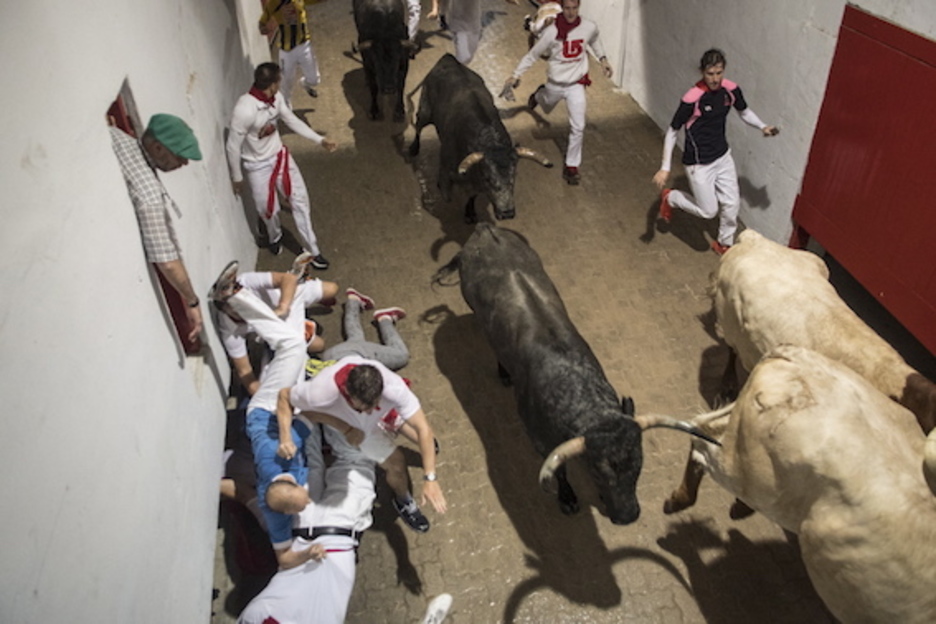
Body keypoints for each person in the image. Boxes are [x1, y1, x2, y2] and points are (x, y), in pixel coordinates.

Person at [210, 260, 318, 567]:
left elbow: (286, 403)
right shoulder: (278, 511)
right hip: (281, 414)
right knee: (294, 342)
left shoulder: (277, 453)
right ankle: (280, 296)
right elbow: (284, 557)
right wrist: (308, 553)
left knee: (294, 346)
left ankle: (232, 295)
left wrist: (289, 431)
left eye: (303, 498)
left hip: (267, 410)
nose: (308, 499)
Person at [277, 354, 447, 533]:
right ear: (347, 392)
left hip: (367, 426)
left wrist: (430, 478)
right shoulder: (321, 392)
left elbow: (424, 429)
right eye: (362, 408)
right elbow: (284, 397)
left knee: (397, 464)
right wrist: (286, 437)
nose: (370, 410)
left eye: (375, 405)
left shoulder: (393, 386)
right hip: (344, 427)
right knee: (381, 461)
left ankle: (403, 500)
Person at [237, 426, 376, 624]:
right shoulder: (252, 617)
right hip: (336, 530)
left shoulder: (253, 617)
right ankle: (331, 408)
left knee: (310, 456)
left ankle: (318, 404)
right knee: (353, 460)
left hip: (303, 522)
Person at [652, 48, 779, 255]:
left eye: (719, 73)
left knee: (732, 203)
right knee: (708, 211)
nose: (715, 78)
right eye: (710, 74)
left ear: (723, 70)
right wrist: (665, 167)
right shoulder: (692, 98)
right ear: (702, 72)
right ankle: (671, 198)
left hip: (722, 156)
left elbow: (744, 112)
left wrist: (762, 126)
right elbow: (673, 131)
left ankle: (724, 243)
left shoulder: (730, 90)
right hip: (698, 164)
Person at [226, 62, 338, 263]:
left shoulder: (276, 98)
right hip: (257, 166)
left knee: (300, 200)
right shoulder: (244, 109)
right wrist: (237, 177)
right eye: (279, 79)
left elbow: (291, 120)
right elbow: (233, 146)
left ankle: (312, 250)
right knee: (268, 210)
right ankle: (274, 236)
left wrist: (319, 140)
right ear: (273, 84)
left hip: (280, 157)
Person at [109, 114, 205, 345]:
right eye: (180, 156)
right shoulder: (149, 195)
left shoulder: (118, 136)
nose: (184, 163)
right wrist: (192, 301)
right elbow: (168, 261)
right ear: (158, 148)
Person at [502, 0, 612, 186]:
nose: (570, 13)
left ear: (579, 7)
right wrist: (515, 75)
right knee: (546, 106)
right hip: (555, 83)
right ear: (563, 9)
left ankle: (571, 166)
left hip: (576, 84)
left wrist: (603, 59)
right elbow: (533, 55)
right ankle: (538, 95)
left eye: (574, 8)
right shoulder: (551, 32)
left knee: (578, 126)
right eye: (567, 8)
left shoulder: (588, 26)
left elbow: (594, 39)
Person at [215, 253, 338, 395]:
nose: (243, 303)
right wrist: (261, 397)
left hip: (286, 297)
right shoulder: (229, 329)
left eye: (238, 291)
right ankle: (300, 280)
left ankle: (301, 281)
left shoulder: (246, 281)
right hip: (282, 327)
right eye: (236, 304)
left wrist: (282, 307)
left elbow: (287, 280)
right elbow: (244, 372)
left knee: (333, 289)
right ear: (225, 309)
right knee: (319, 345)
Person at [259, 0, 321, 106]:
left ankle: (305, 83)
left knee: (314, 80)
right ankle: (286, 104)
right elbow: (262, 24)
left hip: (303, 45)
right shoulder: (273, 4)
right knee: (286, 82)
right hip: (286, 51)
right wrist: (265, 28)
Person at [428, 0, 518, 64]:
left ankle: (456, 70)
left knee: (469, 56)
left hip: (474, 23)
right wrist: (435, 9)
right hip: (458, 24)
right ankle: (452, 74)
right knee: (464, 57)